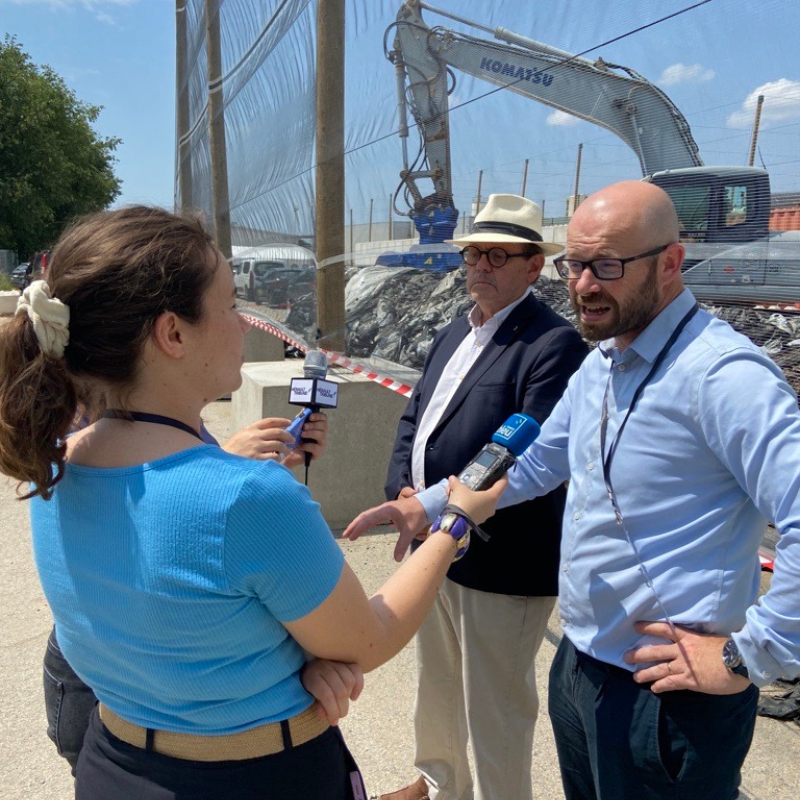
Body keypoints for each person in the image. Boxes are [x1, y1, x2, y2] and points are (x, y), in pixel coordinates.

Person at [0, 205, 505, 800]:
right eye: (232, 305)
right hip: (257, 777)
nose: (244, 325)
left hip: (113, 763)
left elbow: (175, 619)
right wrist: (454, 522)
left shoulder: (53, 466)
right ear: (173, 334)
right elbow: (367, 638)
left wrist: (289, 660)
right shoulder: (245, 497)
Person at [346, 180, 800, 800]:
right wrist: (427, 507)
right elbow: (534, 464)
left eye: (606, 266)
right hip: (582, 667)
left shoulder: (723, 376)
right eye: (576, 265)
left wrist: (749, 656)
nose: (583, 285)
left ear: (671, 262)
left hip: (668, 696)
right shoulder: (601, 364)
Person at [347, 193, 587, 800]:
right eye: (474, 253)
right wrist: (404, 488)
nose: (480, 265)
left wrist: (427, 505)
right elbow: (415, 418)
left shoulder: (553, 345)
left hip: (501, 556)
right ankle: (439, 784)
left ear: (534, 266)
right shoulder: (457, 329)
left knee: (495, 709)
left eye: (498, 256)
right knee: (438, 684)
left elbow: (519, 455)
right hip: (435, 545)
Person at [42, 409, 332, 776]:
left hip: (124, 671)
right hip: (101, 683)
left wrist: (252, 465)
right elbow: (143, 524)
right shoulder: (82, 429)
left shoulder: (160, 408)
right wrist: (218, 468)